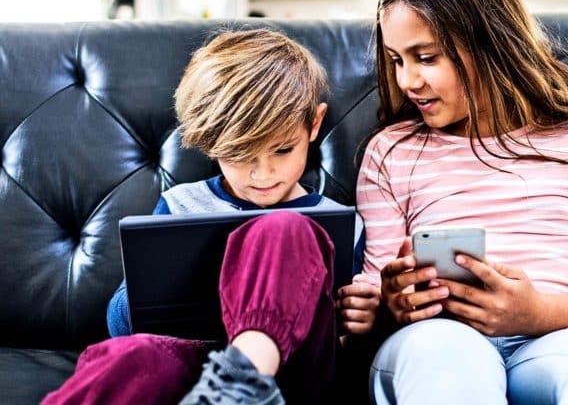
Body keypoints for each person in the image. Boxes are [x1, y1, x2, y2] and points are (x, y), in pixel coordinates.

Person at [355, 0, 568, 404]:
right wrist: (390, 305)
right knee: (445, 351)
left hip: (552, 341)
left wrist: (537, 313)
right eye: (396, 60)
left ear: (490, 43)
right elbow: (374, 287)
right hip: (439, 343)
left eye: (426, 58)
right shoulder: (392, 152)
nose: (407, 80)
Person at [43, 29, 380, 405]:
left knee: (285, 228)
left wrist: (360, 322)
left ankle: (243, 382)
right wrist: (151, 286)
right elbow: (122, 326)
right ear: (210, 141)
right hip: (196, 375)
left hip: (293, 379)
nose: (263, 174)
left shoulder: (341, 224)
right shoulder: (180, 205)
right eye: (240, 154)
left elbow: (342, 349)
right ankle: (226, 391)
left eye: (282, 150)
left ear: (314, 124)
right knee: (131, 358)